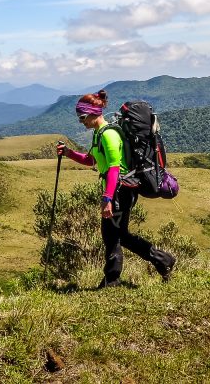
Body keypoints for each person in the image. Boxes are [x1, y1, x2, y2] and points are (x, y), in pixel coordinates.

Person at [56, 89, 176, 288]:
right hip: (118, 190)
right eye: (79, 118)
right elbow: (91, 159)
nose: (81, 121)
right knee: (118, 235)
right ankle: (161, 261)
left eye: (83, 117)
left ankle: (115, 279)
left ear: (94, 113)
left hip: (120, 191)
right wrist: (69, 153)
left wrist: (107, 198)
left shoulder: (109, 135)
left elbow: (113, 168)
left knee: (113, 235)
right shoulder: (99, 134)